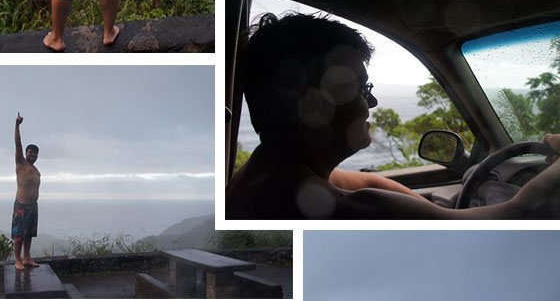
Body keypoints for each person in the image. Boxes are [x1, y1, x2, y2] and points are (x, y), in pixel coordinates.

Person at [225, 12, 560, 220]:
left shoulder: (269, 174)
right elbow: (518, 212)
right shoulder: (340, 210)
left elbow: (368, 181)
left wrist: (431, 209)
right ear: (313, 106)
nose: (371, 102)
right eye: (360, 88)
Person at [12, 112, 41, 270]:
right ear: (26, 153)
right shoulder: (21, 163)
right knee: (18, 236)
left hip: (33, 206)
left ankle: (27, 258)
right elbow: (17, 144)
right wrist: (17, 125)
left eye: (35, 153)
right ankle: (17, 260)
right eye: (30, 151)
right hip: (21, 206)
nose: (32, 154)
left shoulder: (35, 169)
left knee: (29, 234)